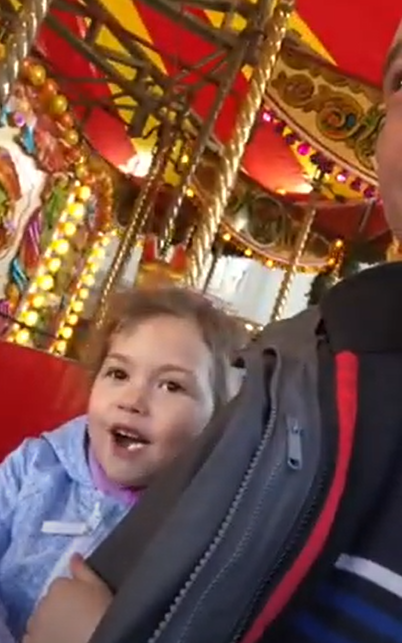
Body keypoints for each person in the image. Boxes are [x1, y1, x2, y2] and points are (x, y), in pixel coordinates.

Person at [0, 285, 245, 642]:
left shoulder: (202, 533)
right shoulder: (36, 466)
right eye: (118, 374)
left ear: (216, 422)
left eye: (171, 386)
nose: (132, 400)